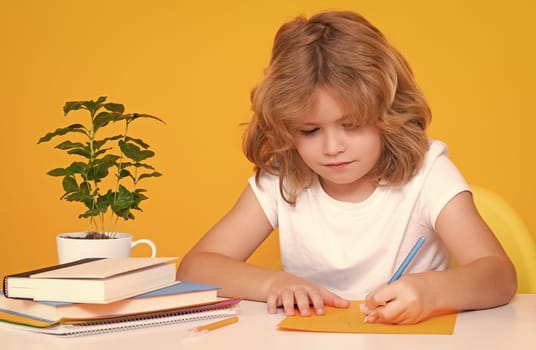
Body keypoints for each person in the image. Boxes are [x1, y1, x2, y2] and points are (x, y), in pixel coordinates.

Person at [177, 10, 516, 324]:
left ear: (388, 113)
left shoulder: (427, 174)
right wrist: (274, 283)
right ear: (286, 127)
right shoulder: (285, 177)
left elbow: (500, 276)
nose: (332, 147)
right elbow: (195, 268)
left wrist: (432, 292)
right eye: (309, 131)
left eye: (351, 125)